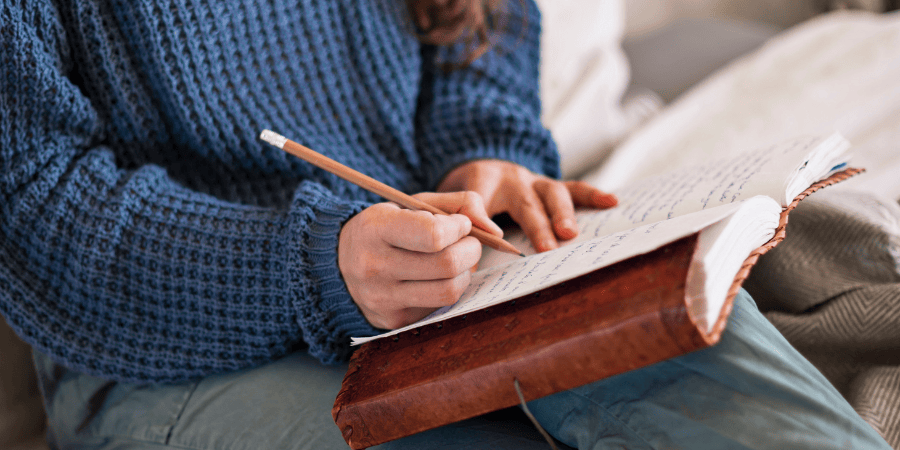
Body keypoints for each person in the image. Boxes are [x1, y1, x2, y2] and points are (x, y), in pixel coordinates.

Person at [0, 0, 891, 449]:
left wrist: (486, 148)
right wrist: (314, 264)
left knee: (693, 345)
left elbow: (478, 23)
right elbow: (36, 201)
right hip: (162, 343)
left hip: (449, 272)